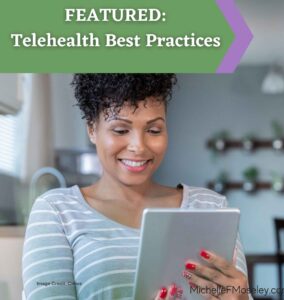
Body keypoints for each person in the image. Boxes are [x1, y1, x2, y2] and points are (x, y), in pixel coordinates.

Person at [22, 74, 251, 300]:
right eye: (121, 130)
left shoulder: (210, 206)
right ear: (92, 129)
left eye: (154, 130)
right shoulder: (57, 212)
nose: (139, 147)